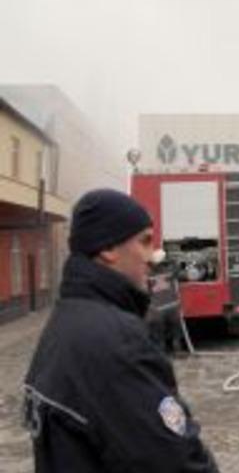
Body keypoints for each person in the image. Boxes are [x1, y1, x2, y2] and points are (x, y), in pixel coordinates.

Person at [22, 189, 219, 473]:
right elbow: (176, 462)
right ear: (108, 248)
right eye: (145, 241)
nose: (152, 257)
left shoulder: (63, 323)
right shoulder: (117, 341)